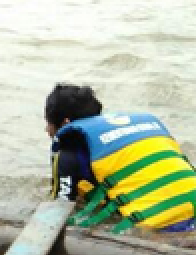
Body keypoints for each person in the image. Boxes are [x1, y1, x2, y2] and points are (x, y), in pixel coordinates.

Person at [45, 83, 195, 233]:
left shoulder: (68, 154)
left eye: (49, 123)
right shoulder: (142, 127)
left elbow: (59, 209)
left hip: (160, 229)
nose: (46, 129)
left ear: (65, 123)